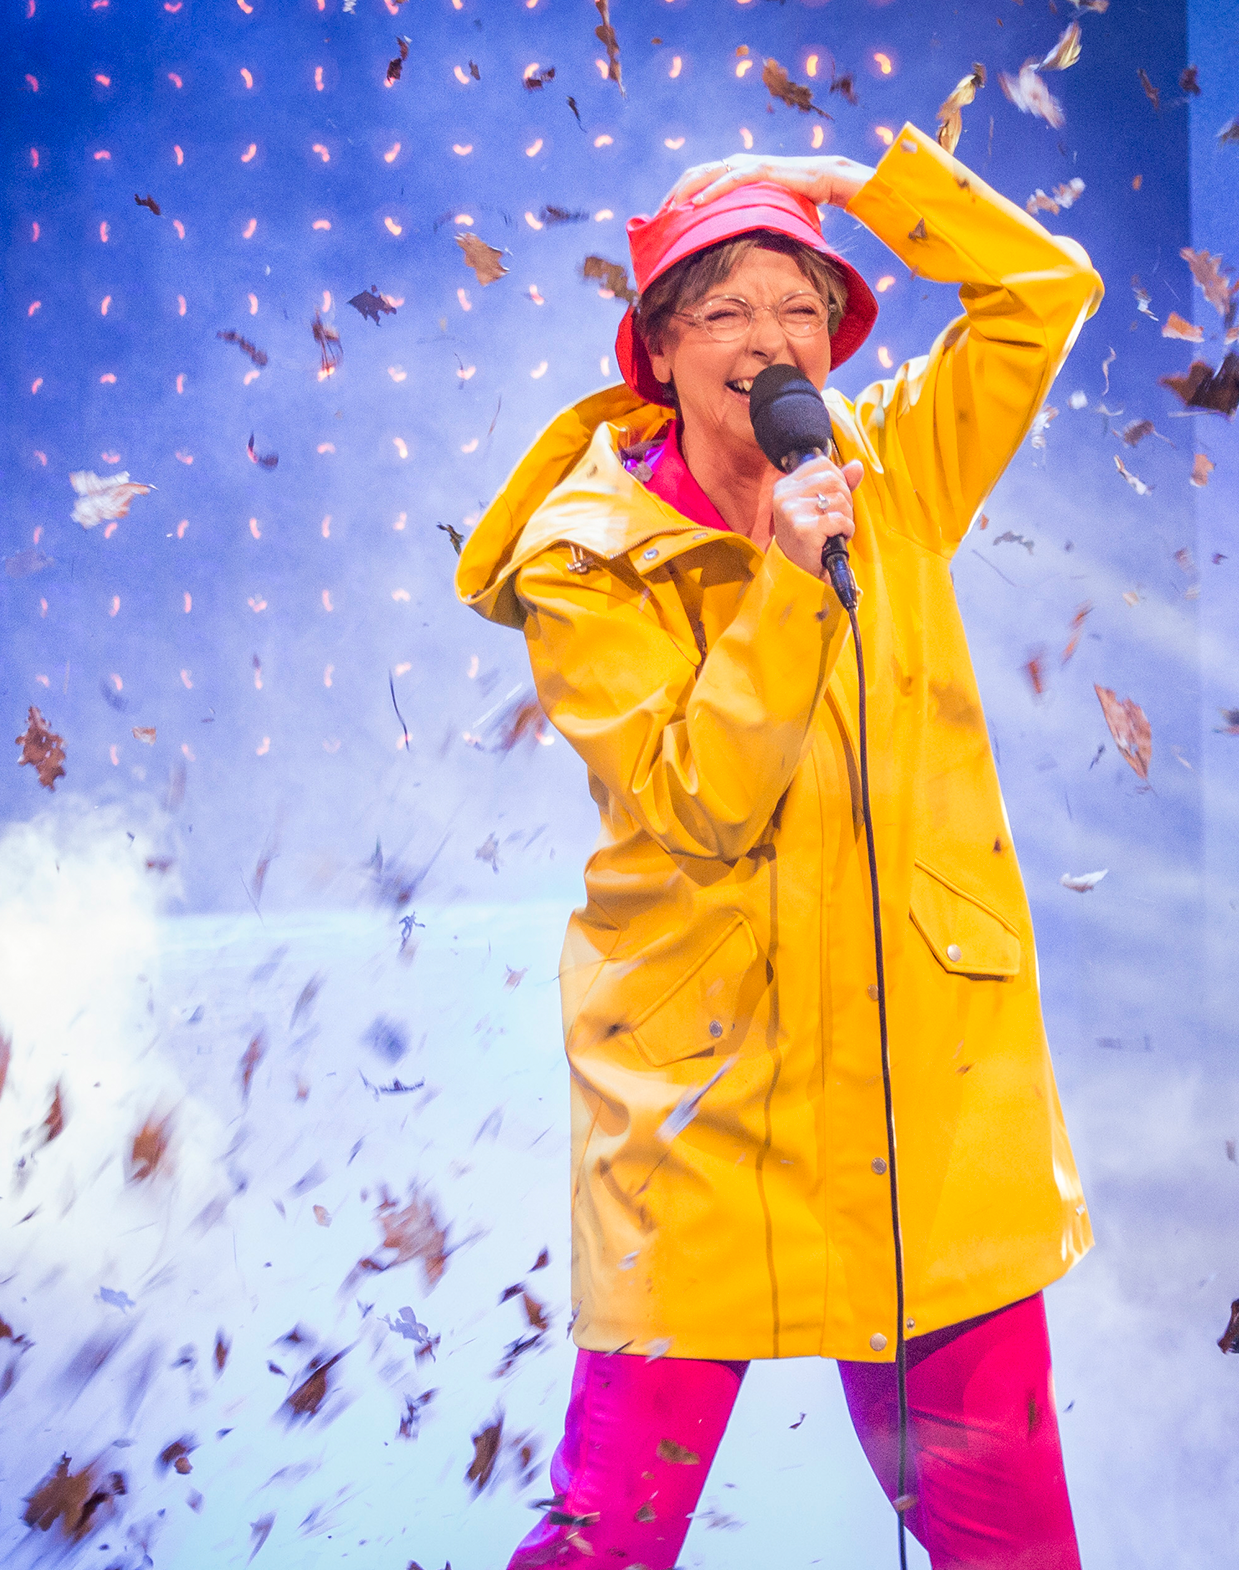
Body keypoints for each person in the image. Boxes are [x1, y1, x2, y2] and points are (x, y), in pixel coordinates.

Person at [454, 121, 1102, 1569]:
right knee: (608, 1538)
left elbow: (1042, 295)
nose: (771, 338)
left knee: (1016, 1551)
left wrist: (877, 190)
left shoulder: (893, 471)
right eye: (728, 309)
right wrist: (797, 583)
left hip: (924, 1092)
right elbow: (694, 799)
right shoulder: (582, 558)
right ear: (660, 349)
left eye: (802, 306)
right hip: (706, 1108)